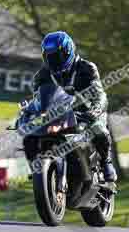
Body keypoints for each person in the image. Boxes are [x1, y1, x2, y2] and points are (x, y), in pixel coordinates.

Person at [32, 31, 118, 183]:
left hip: (86, 112)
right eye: (50, 57)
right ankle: (42, 172)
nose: (54, 61)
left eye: (57, 56)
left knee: (99, 129)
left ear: (69, 51)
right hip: (58, 116)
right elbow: (38, 99)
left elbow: (99, 94)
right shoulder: (42, 75)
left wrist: (96, 109)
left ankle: (106, 162)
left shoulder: (87, 68)